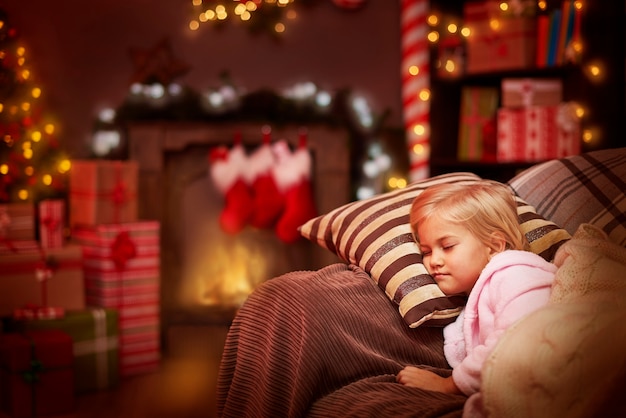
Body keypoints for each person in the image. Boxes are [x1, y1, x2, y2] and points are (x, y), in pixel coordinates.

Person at [396, 180, 557, 397]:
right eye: (426, 251)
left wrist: (449, 385)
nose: (434, 261)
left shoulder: (515, 274)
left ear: (493, 246)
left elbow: (514, 341)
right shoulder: (478, 295)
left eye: (447, 247)